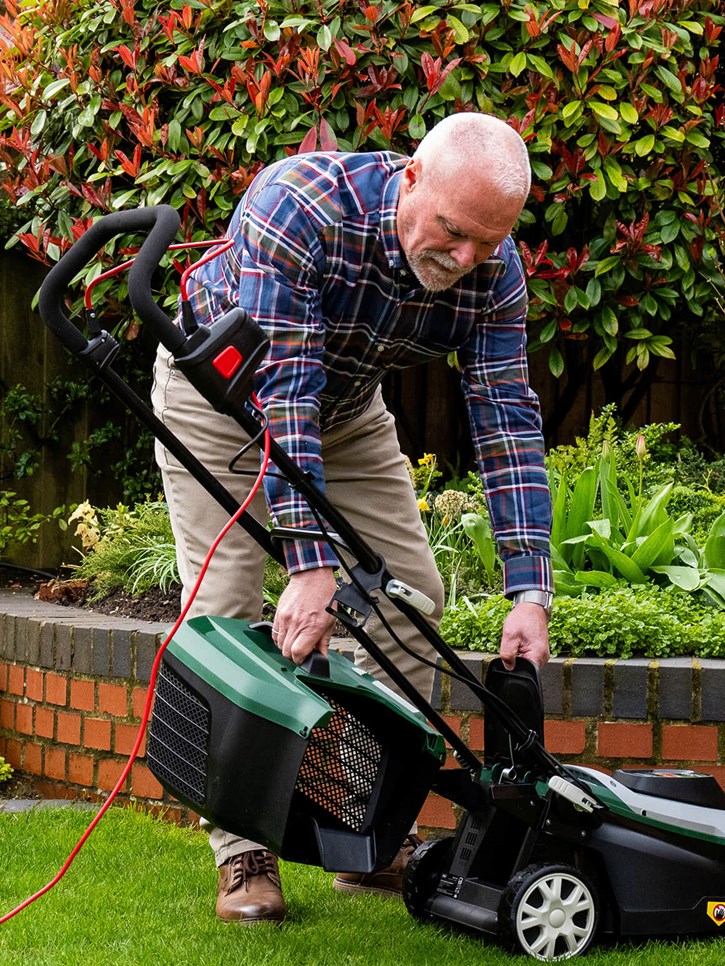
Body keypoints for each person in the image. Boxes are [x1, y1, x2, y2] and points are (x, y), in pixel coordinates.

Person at [151, 112, 554, 924]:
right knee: (225, 610)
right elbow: (284, 391)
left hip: (346, 411)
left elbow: (507, 418)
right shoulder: (297, 207)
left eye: (488, 240)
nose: (467, 258)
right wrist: (309, 564)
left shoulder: (492, 269)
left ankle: (354, 817)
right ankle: (243, 852)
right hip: (221, 396)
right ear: (411, 178)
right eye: (452, 230)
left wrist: (529, 590)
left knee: (411, 603)